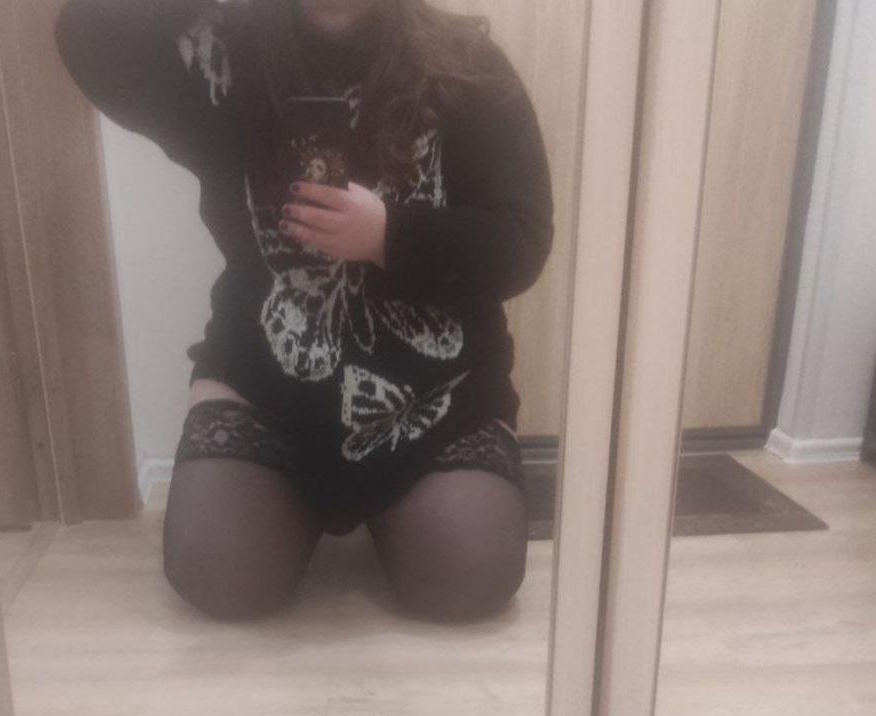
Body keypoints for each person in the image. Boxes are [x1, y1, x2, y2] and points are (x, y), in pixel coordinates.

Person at [54, 0, 554, 622]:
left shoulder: (464, 64)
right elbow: (86, 32)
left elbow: (524, 241)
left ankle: (392, 513)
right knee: (218, 577)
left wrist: (390, 237)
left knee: (468, 583)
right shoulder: (220, 54)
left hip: (433, 392)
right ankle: (317, 510)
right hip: (268, 387)